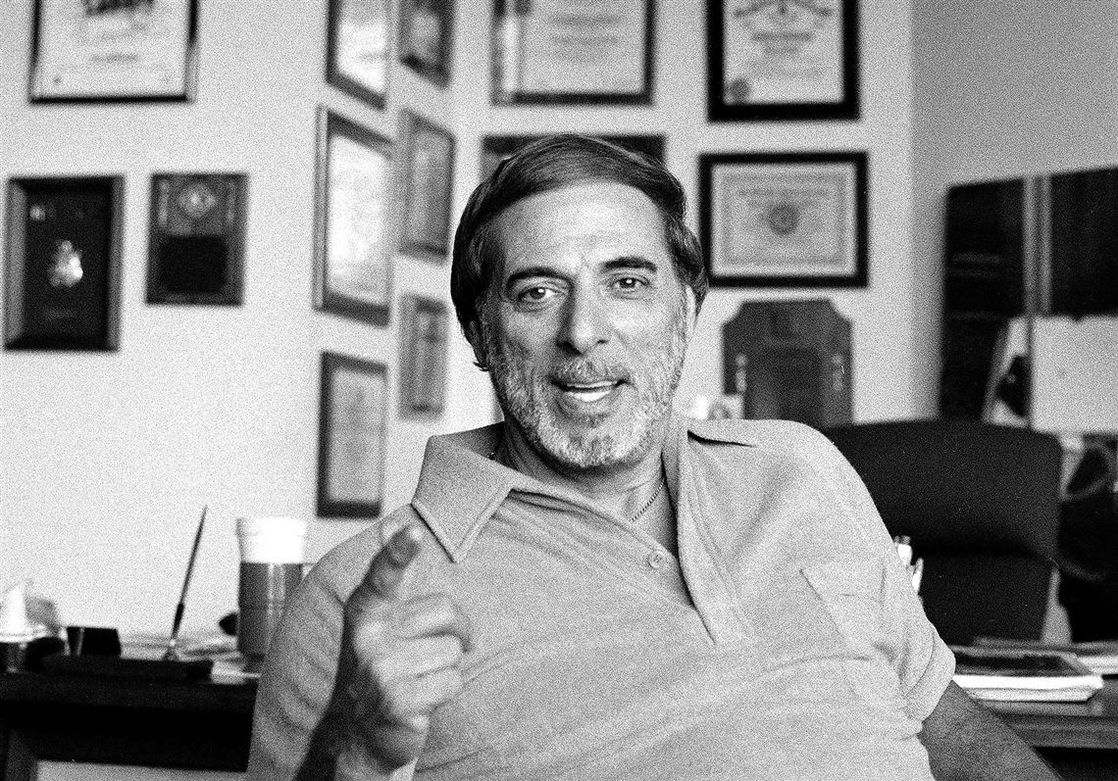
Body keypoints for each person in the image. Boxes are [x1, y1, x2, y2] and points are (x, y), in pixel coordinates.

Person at [248, 135, 1057, 780]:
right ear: (479, 333)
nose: (583, 332)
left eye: (627, 282)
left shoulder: (804, 469)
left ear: (687, 309)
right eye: (537, 292)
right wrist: (354, 753)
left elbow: (947, 726)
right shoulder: (357, 601)